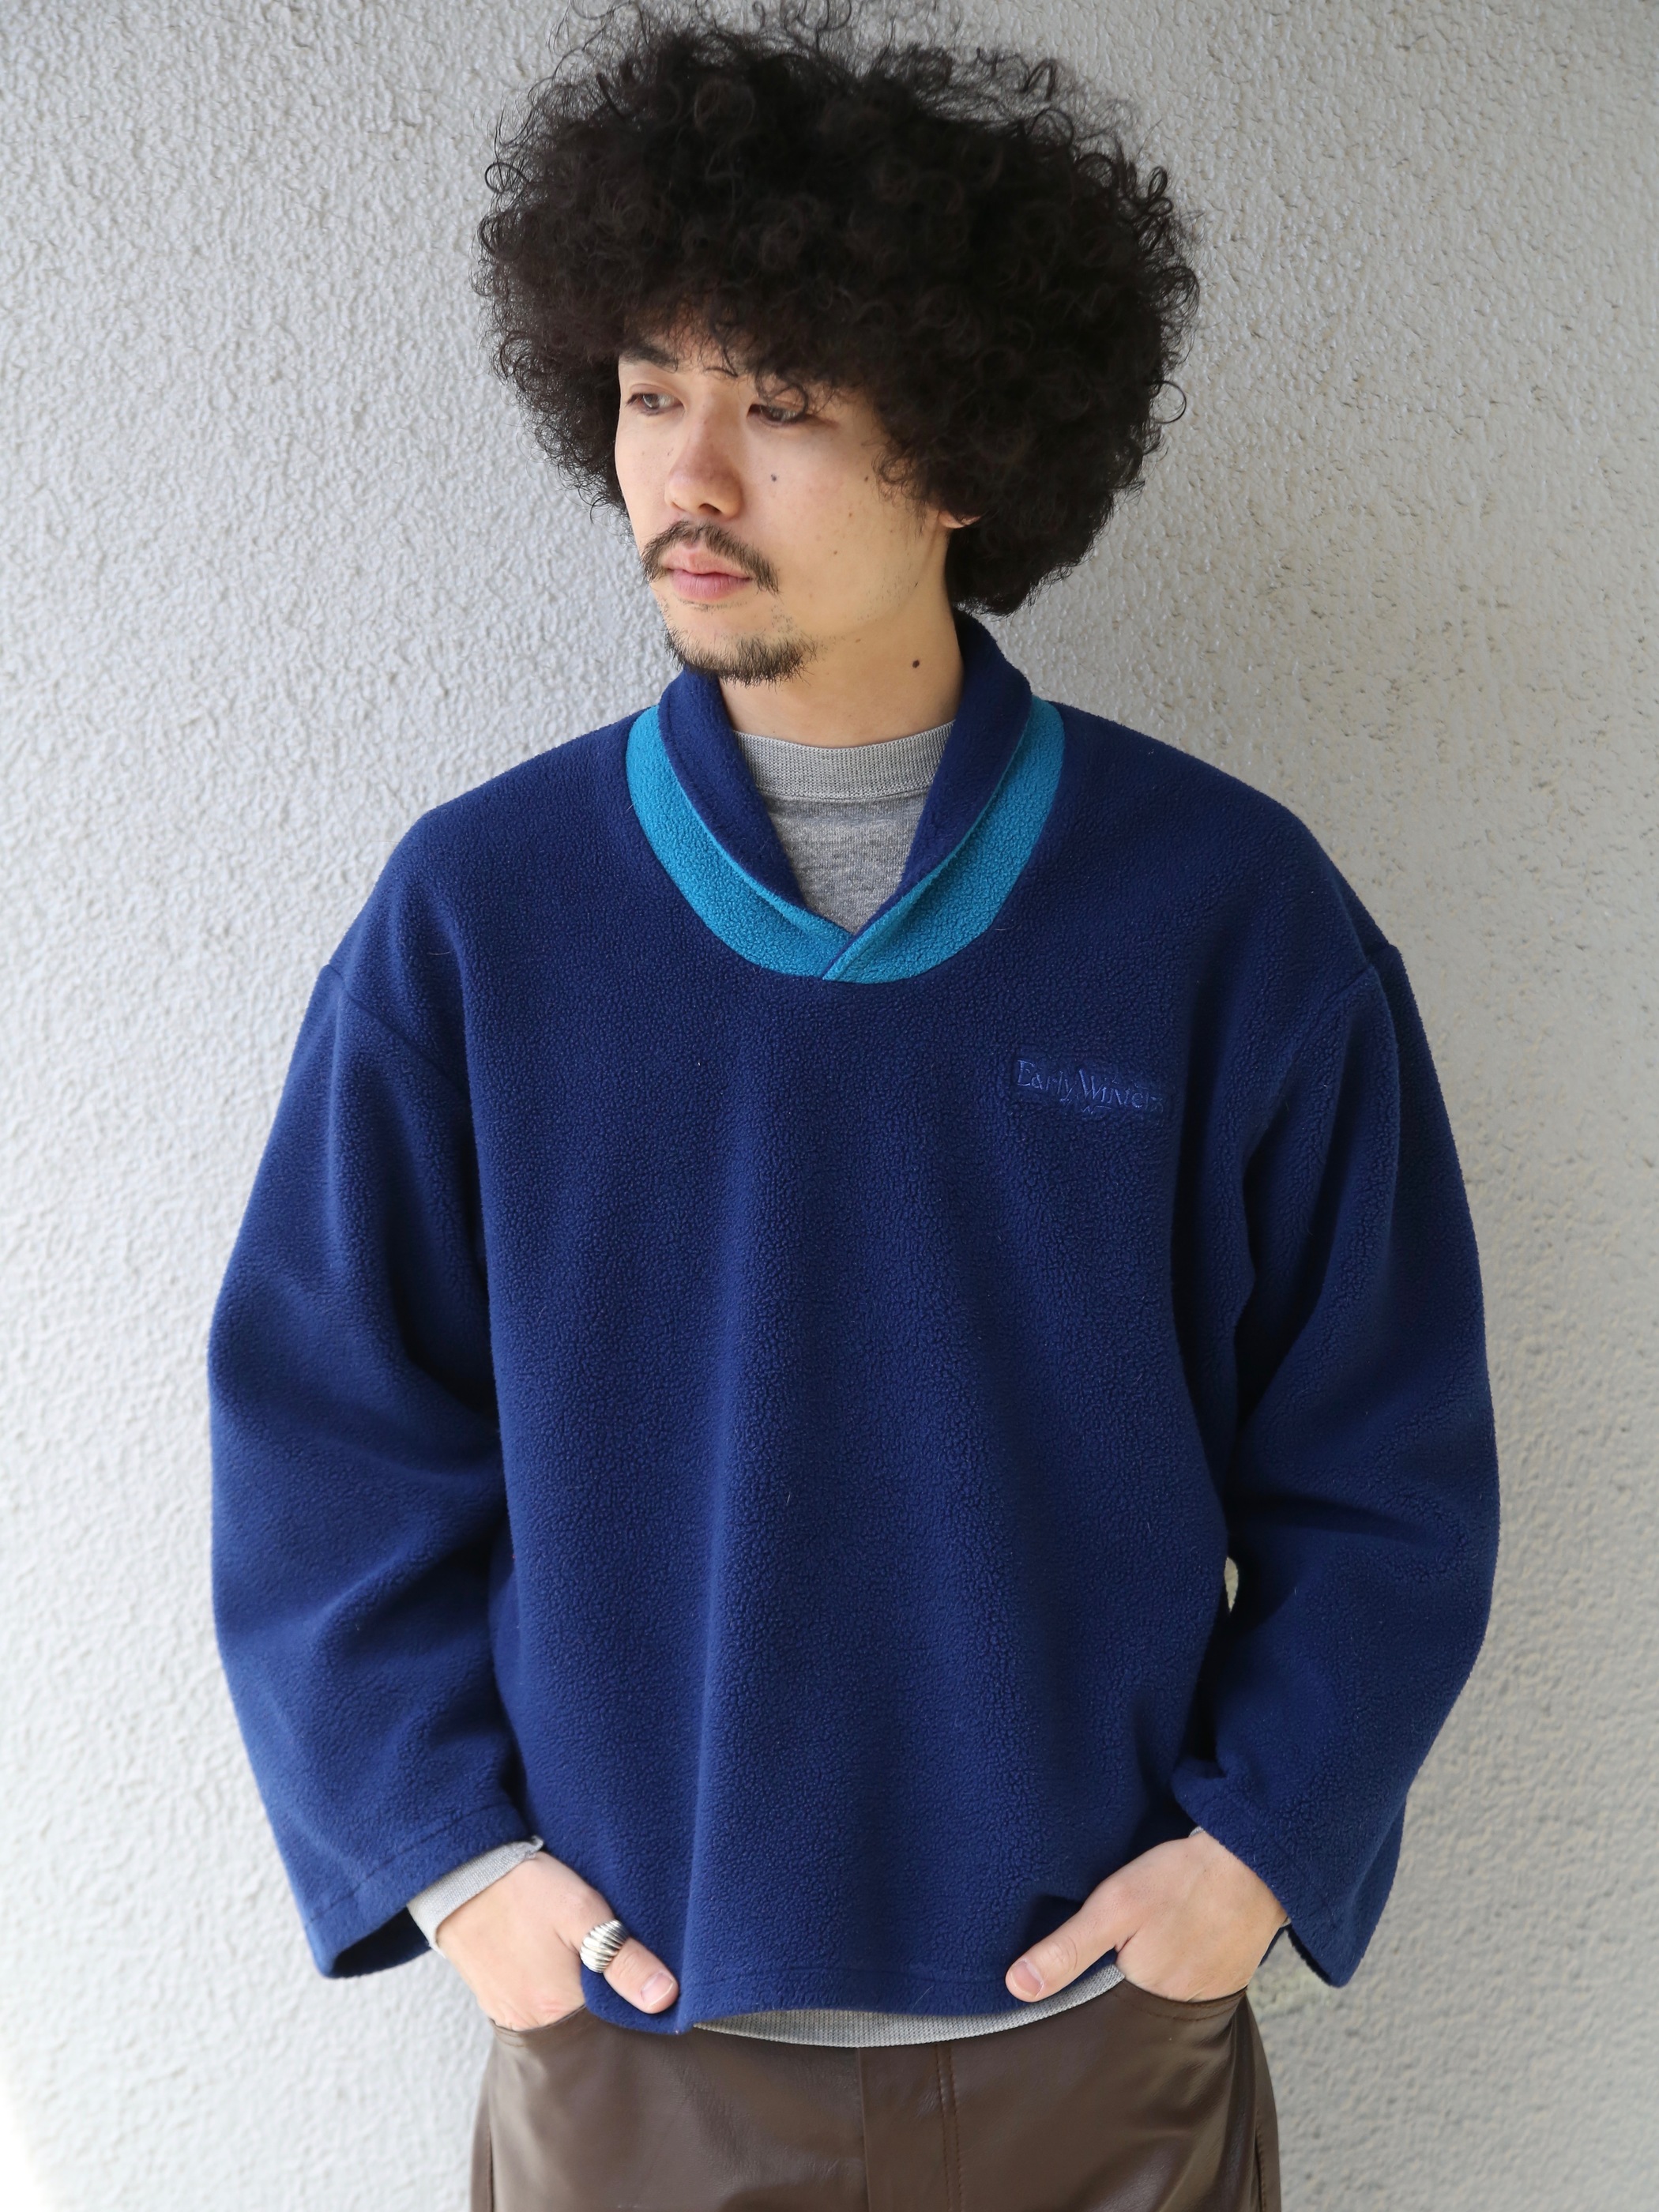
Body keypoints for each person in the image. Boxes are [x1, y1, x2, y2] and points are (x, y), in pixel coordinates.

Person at [208, 6, 1501, 2206]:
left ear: (967, 453)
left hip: (1099, 2056)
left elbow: (1383, 1458)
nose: (690, 479)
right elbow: (323, 1430)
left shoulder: (1224, 914)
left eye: (783, 407)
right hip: (636, 2051)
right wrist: (452, 1865)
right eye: (651, 396)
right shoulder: (480, 918)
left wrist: (1256, 1854)